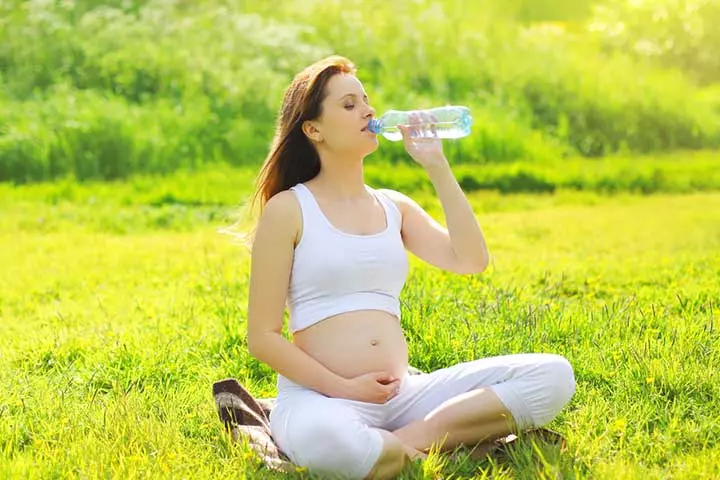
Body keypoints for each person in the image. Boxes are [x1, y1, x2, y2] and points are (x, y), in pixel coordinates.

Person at [244, 55, 575, 480]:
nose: (368, 111)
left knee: (553, 375)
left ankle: (409, 443)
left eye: (366, 101)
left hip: (403, 396)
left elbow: (471, 259)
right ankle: (433, 447)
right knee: (336, 445)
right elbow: (263, 338)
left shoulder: (393, 206)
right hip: (321, 400)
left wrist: (436, 165)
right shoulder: (288, 210)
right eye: (349, 105)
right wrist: (345, 388)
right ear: (313, 129)